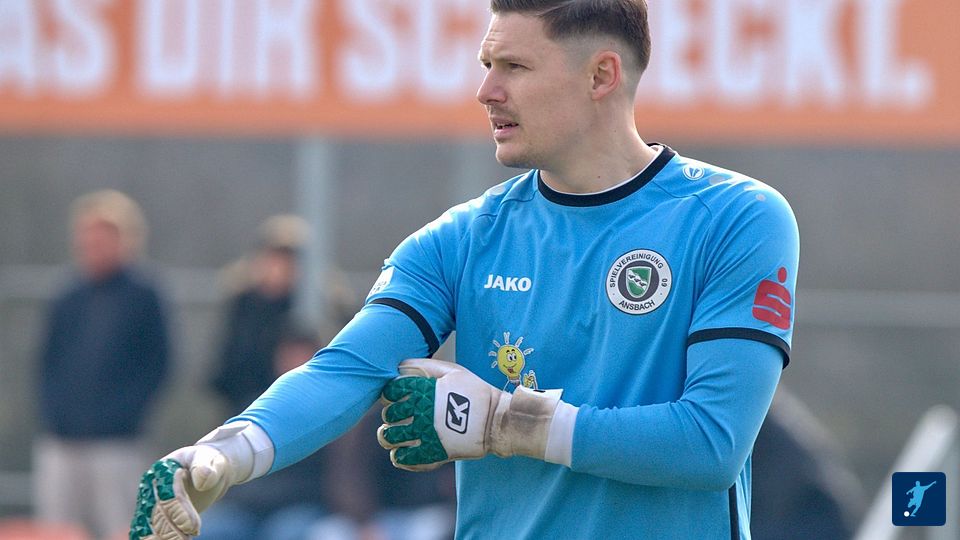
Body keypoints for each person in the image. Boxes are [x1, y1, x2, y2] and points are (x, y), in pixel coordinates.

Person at [130, 1, 799, 539]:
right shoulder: (461, 238)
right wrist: (224, 454)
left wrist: (507, 423)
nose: (486, 91)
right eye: (486, 64)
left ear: (601, 76)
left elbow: (710, 444)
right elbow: (346, 370)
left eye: (514, 66)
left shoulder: (736, 217)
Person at [36, 189, 169, 539]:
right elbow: (47, 363)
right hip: (62, 439)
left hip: (118, 442)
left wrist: (125, 414)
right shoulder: (67, 295)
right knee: (58, 529)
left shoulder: (144, 296)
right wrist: (55, 415)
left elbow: (158, 365)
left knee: (120, 526)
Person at [209, 214, 307, 415]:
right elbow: (229, 359)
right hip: (245, 404)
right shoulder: (244, 302)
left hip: (298, 406)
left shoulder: (313, 304)